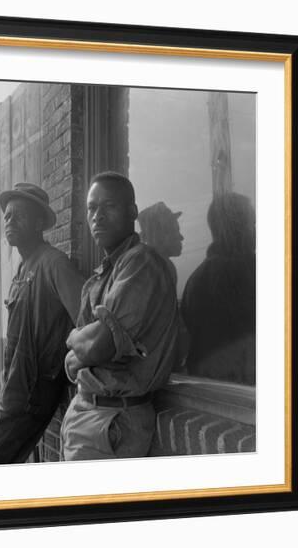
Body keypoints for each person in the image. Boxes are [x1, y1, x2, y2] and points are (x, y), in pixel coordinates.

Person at [61, 171, 179, 461]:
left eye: (109, 206)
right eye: (92, 208)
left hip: (112, 421)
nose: (97, 216)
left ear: (132, 212)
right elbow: (73, 362)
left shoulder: (141, 262)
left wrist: (76, 337)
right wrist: (86, 344)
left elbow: (94, 346)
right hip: (87, 413)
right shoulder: (102, 275)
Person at [0, 182, 84, 465]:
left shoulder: (54, 263)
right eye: (7, 215)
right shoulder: (23, 267)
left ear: (39, 222)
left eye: (19, 215)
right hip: (14, 390)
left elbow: (87, 322)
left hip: (32, 397)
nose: (9, 220)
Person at [181, 192, 256, 385]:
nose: (255, 231)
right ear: (238, 228)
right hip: (245, 395)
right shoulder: (248, 273)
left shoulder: (195, 280)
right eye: (252, 224)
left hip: (208, 391)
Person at [138, 201, 183, 286]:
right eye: (174, 231)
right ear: (158, 235)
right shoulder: (162, 268)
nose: (181, 237)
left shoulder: (144, 266)